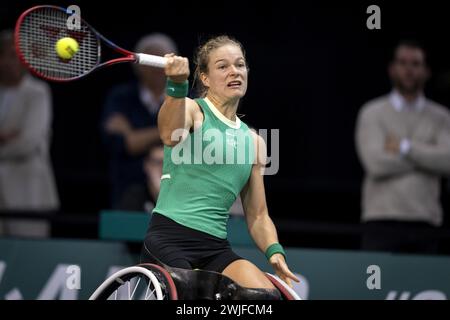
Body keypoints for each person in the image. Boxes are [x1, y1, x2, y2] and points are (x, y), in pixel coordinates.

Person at [140, 35, 299, 297]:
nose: (234, 71)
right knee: (189, 293)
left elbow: (258, 215)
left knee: (263, 297)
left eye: (240, 65)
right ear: (204, 77)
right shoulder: (192, 110)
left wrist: (274, 251)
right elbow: (169, 134)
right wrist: (177, 85)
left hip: (215, 248)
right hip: (169, 239)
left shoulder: (255, 141)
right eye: (223, 66)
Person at [355, 40, 450, 253]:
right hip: (381, 220)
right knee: (375, 287)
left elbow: (447, 162)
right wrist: (427, 159)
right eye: (403, 63)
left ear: (426, 71)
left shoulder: (441, 117)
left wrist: (405, 147)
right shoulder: (372, 113)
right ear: (392, 69)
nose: (409, 70)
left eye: (416, 64)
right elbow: (376, 164)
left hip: (426, 222)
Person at [101, 33, 178, 211]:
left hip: (177, 195)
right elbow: (125, 144)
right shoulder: (120, 97)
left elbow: (189, 139)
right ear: (139, 66)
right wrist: (170, 130)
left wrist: (135, 135)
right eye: (151, 61)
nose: (156, 67)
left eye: (161, 61)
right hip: (127, 192)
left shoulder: (187, 98)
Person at [0, 30, 59, 237]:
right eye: (5, 55)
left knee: (27, 260)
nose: (10, 62)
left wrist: (9, 139)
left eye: (15, 56)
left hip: (28, 193)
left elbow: (28, 142)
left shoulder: (38, 92)